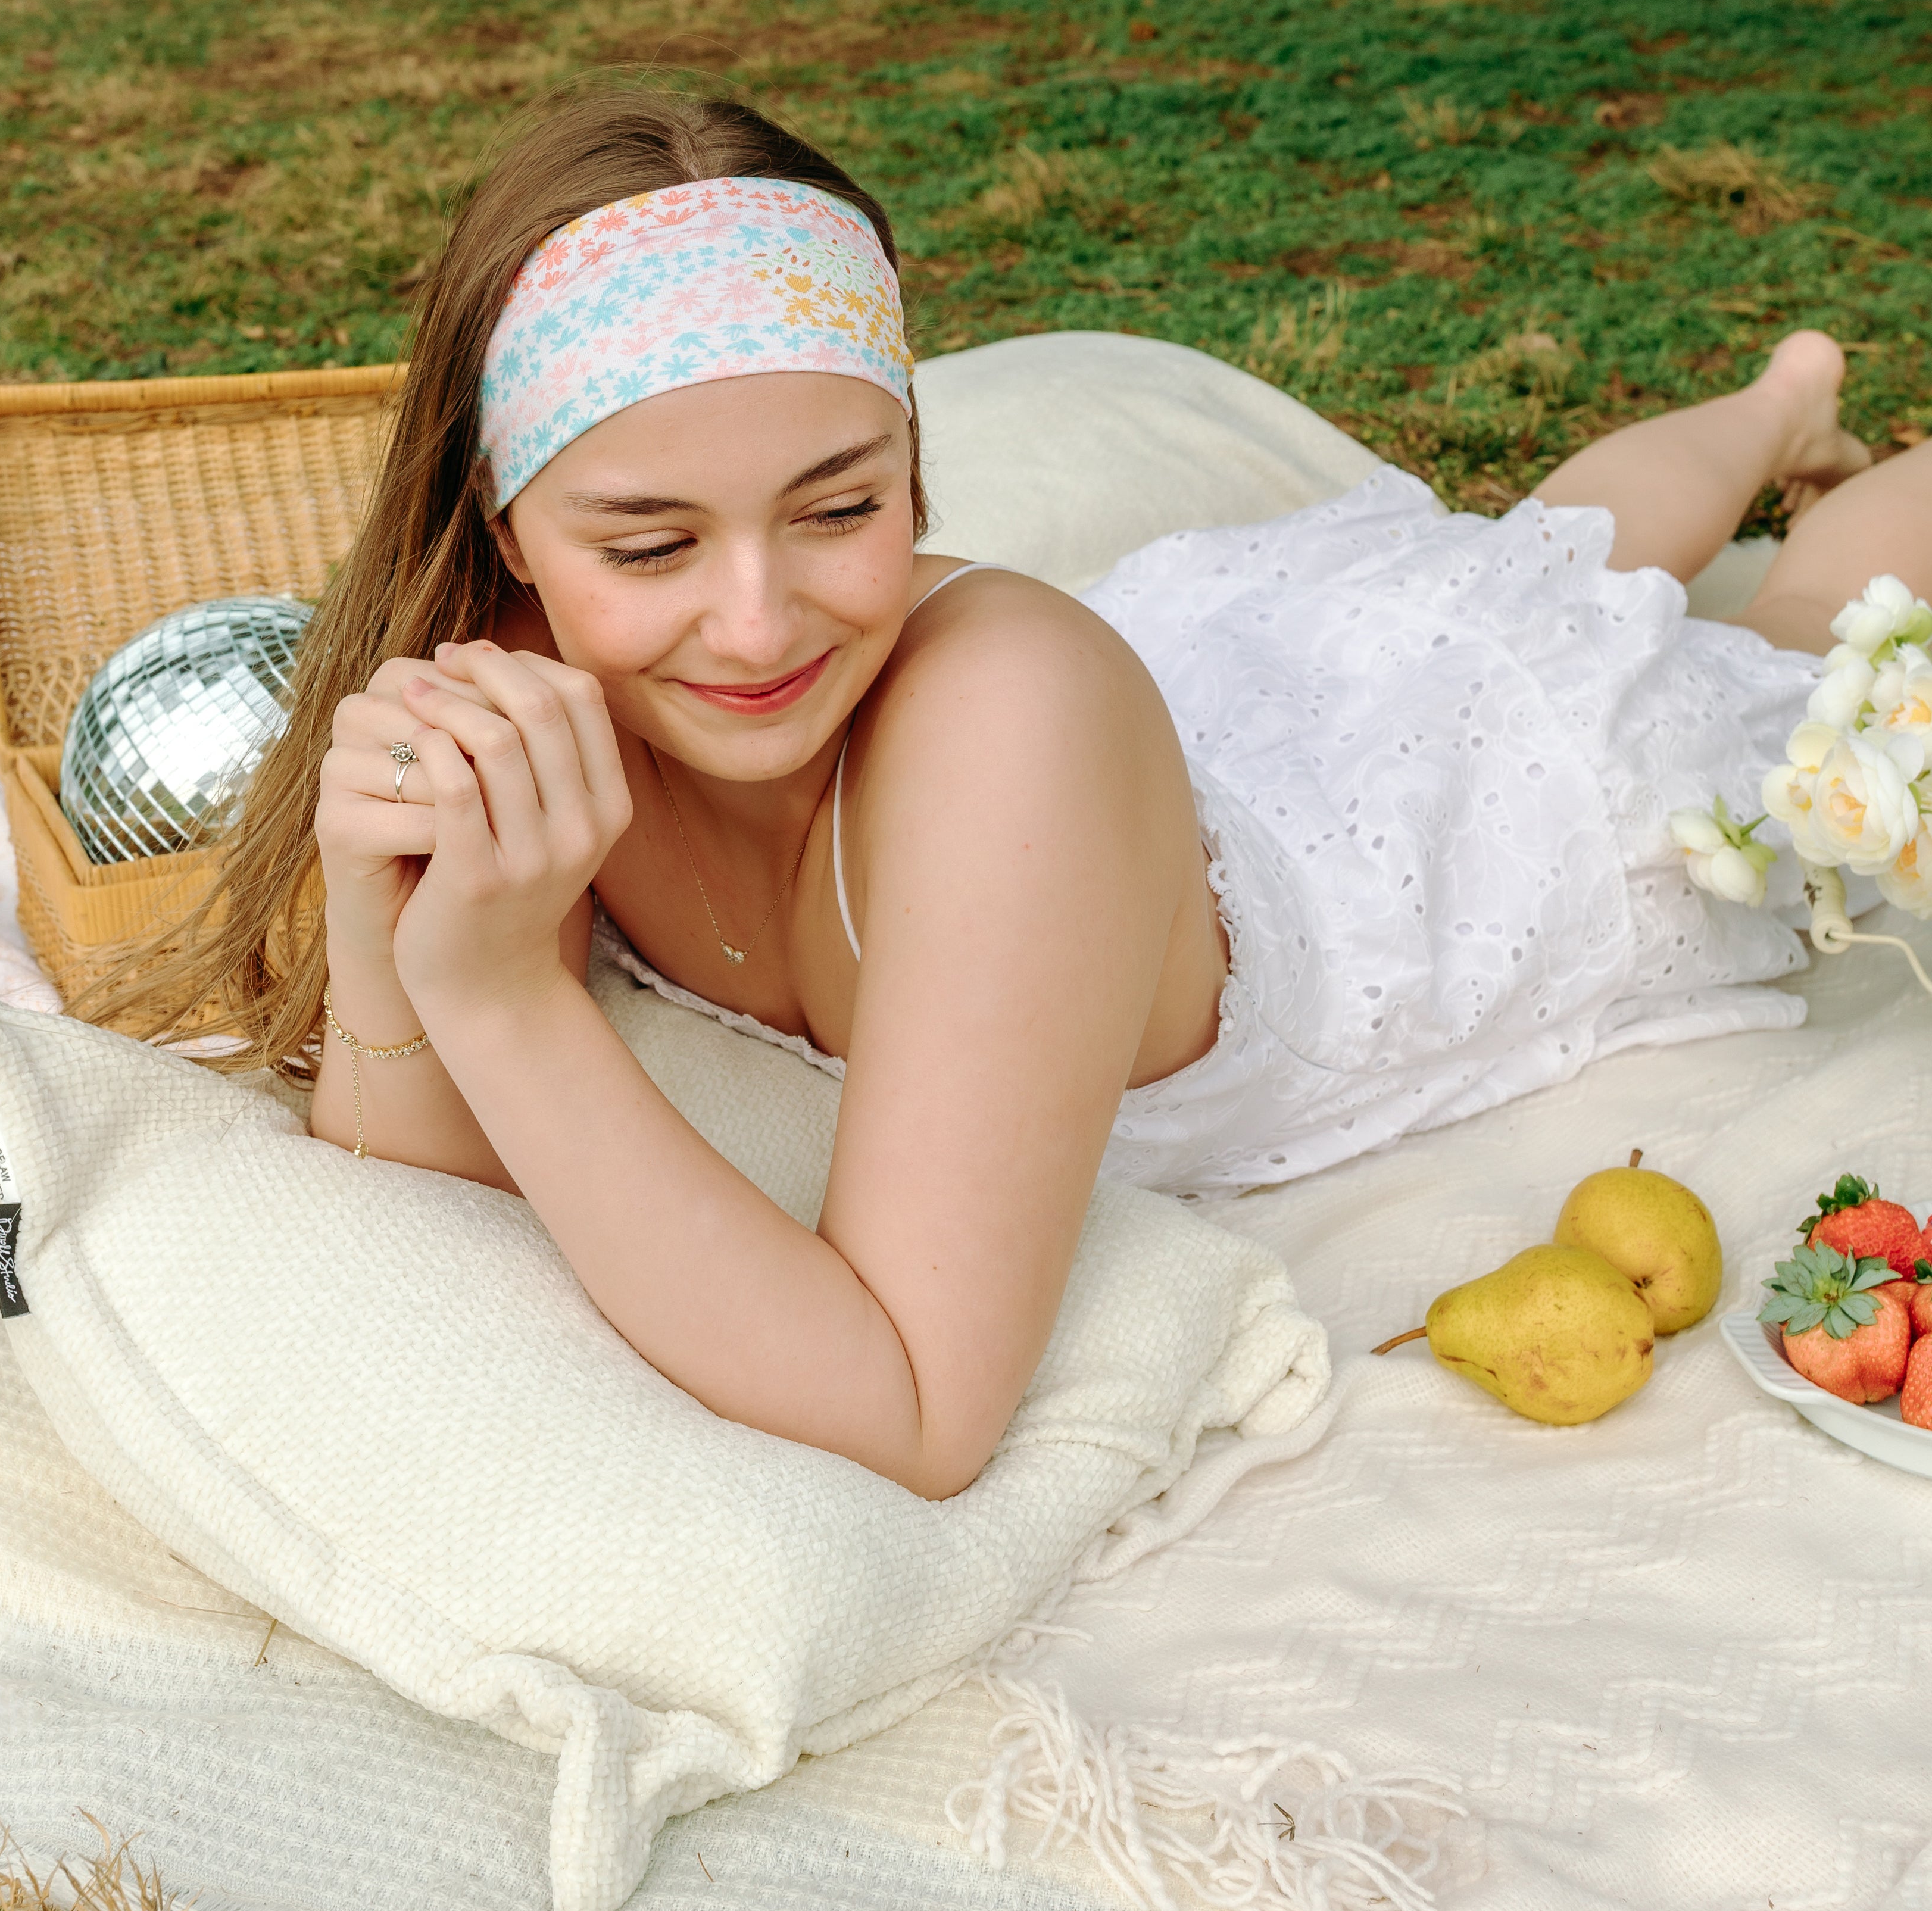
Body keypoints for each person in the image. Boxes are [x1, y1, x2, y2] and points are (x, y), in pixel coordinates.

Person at [189, 82, 1922, 1500]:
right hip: (1217, 730)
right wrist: (386, 904)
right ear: (509, 531)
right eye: (650, 542)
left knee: (1752, 636)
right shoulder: (528, 674)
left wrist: (496, 987)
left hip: (1448, 821)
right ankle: (1783, 394)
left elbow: (917, 1409)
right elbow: (407, 1205)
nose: (755, 621)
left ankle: (1809, 420)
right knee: (1512, 555)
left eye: (841, 509)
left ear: (918, 477)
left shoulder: (1002, 716)